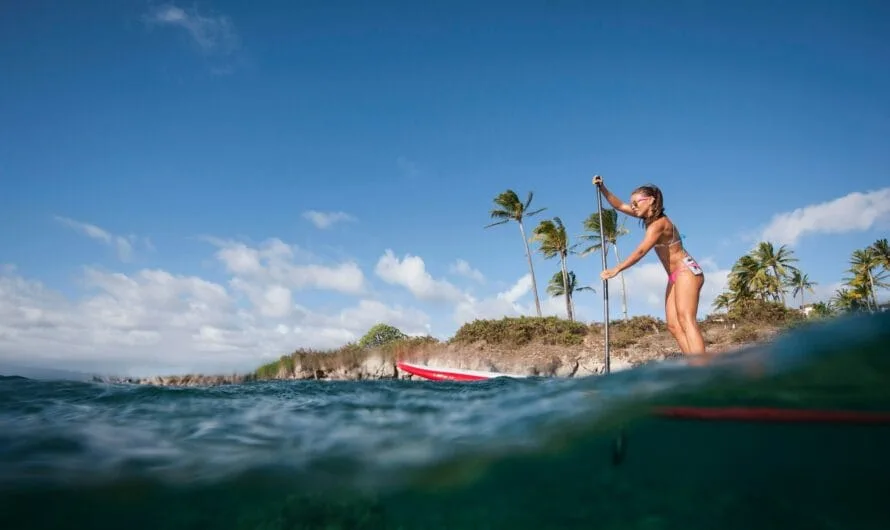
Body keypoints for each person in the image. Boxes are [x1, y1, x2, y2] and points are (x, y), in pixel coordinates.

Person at [592, 176, 706, 355]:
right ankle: (692, 361)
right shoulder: (648, 220)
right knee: (673, 326)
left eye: (636, 202)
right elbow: (619, 206)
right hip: (674, 275)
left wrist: (617, 269)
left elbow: (641, 251)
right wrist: (602, 188)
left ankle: (702, 364)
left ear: (651, 200)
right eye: (633, 204)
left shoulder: (659, 224)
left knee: (686, 319)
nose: (634, 206)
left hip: (686, 270)